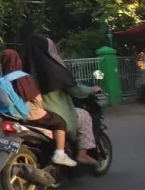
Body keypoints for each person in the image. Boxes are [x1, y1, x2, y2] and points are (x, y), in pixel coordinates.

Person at [23, 34, 101, 165]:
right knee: (84, 115)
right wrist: (93, 89)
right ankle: (82, 154)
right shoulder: (54, 71)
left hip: (32, 115)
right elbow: (76, 90)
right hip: (56, 114)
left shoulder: (24, 72)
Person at [0, 49, 77, 167]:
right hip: (29, 113)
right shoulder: (22, 76)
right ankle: (60, 154)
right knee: (60, 122)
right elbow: (36, 98)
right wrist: (41, 108)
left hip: (11, 116)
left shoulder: (2, 80)